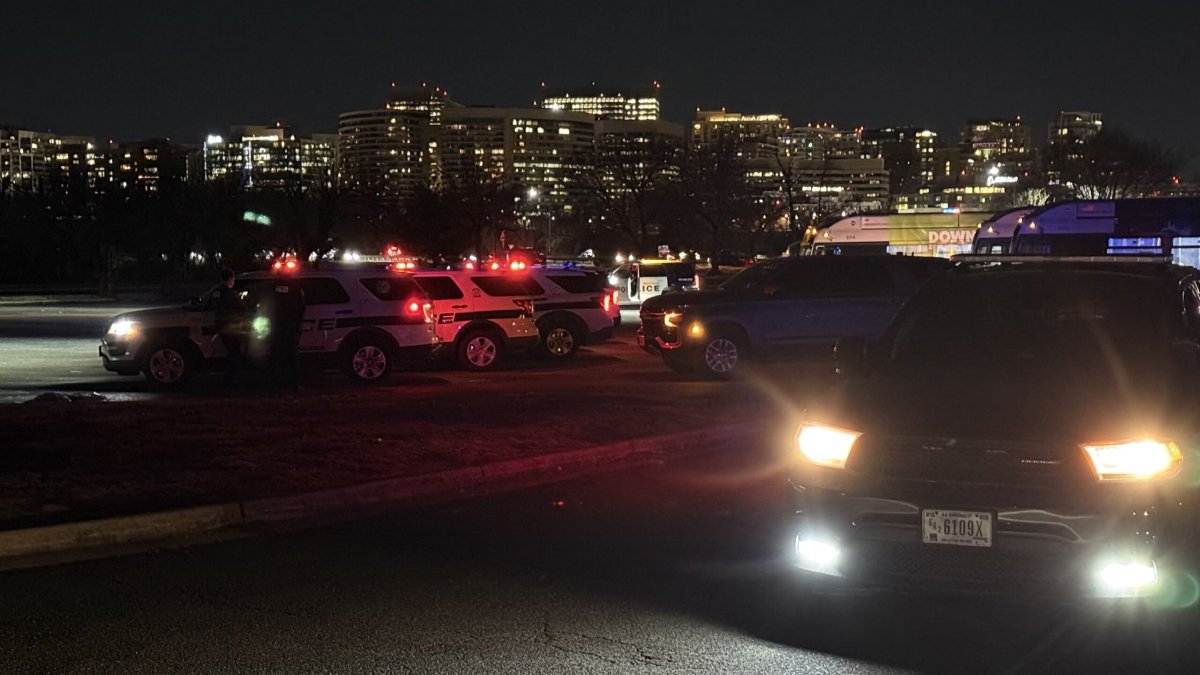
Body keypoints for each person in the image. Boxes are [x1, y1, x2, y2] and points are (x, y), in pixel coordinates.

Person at [255, 278, 306, 388]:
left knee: (275, 355)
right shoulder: (295, 288)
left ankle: (275, 382)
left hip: (276, 327)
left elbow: (264, 305)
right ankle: (292, 383)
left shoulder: (271, 287)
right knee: (291, 356)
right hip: (290, 327)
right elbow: (301, 308)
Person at [213, 268, 248, 380]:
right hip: (232, 327)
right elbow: (241, 307)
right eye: (232, 279)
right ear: (230, 279)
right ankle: (233, 376)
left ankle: (231, 375)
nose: (233, 282)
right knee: (234, 352)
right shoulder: (229, 293)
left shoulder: (217, 292)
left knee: (231, 351)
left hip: (223, 327)